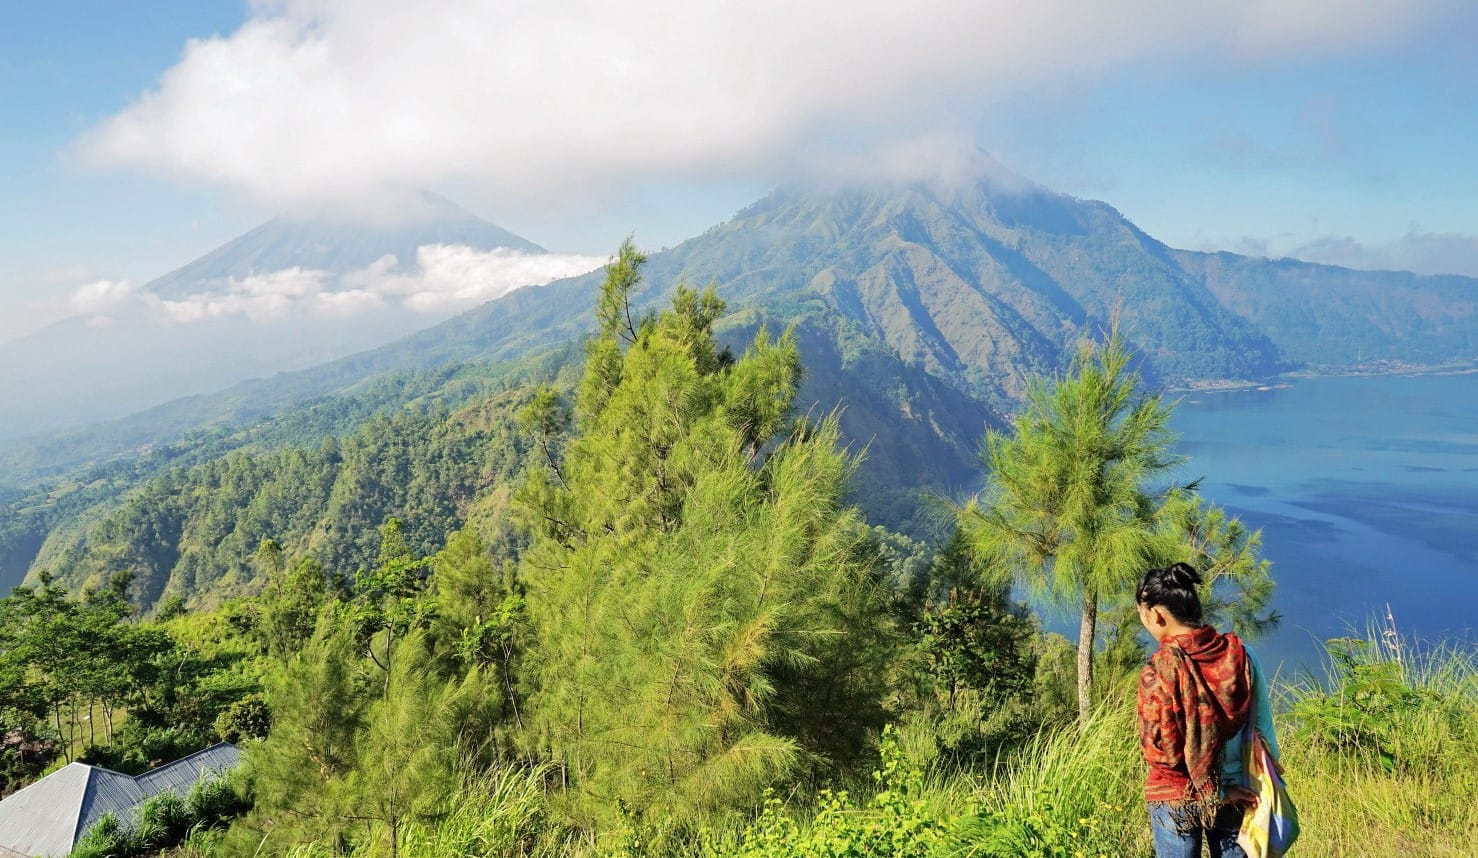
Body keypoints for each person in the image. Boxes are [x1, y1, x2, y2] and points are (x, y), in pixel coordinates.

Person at [1136, 562, 1279, 858]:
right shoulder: (1242, 656)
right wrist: (1253, 790)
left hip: (1177, 799)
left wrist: (1209, 793)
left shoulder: (1159, 671)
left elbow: (1158, 752)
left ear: (1158, 615)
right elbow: (1264, 730)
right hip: (1240, 791)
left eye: (1142, 615)